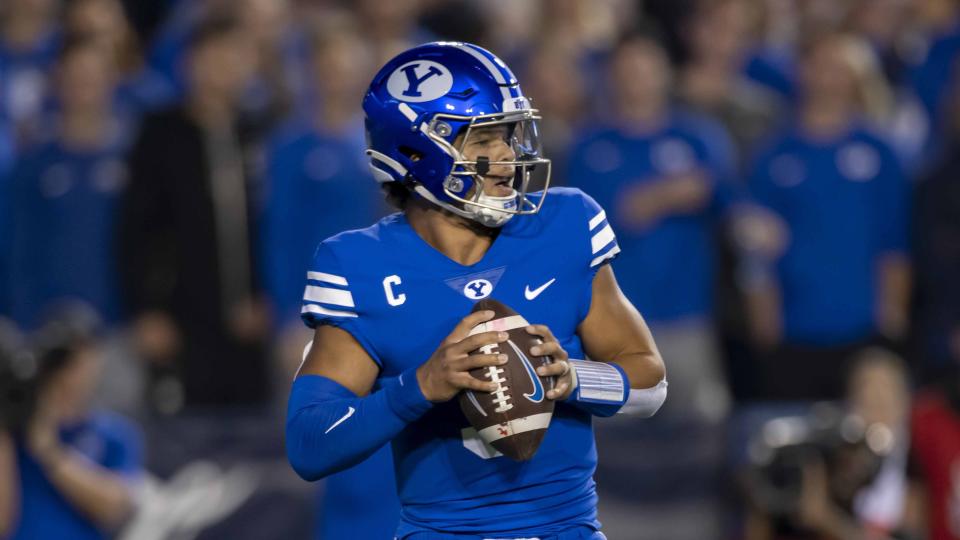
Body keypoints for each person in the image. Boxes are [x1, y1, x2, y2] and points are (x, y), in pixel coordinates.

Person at [285, 41, 667, 539]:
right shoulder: (359, 264)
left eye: (509, 135)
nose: (507, 156)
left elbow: (652, 384)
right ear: (416, 152)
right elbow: (310, 445)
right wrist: (418, 387)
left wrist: (570, 378)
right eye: (482, 142)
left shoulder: (564, 224)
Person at [746, 32, 910, 401]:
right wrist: (764, 318)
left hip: (863, 326)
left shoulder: (879, 151)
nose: (828, 77)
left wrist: (893, 317)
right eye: (819, 65)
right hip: (794, 327)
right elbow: (755, 248)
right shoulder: (773, 155)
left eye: (840, 67)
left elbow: (894, 239)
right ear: (801, 71)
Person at [118, 13, 269, 411]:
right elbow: (135, 228)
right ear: (188, 64)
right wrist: (147, 309)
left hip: (250, 322)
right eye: (212, 57)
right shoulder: (160, 134)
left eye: (234, 57)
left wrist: (266, 294)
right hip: (180, 321)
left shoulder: (258, 133)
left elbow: (270, 227)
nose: (223, 68)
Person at [5, 35, 129, 331]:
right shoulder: (33, 162)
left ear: (111, 79)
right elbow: (17, 251)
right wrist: (25, 319)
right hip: (45, 331)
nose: (84, 85)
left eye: (92, 76)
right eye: (75, 77)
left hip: (117, 331)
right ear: (58, 80)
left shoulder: (133, 159)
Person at [0, 312, 143, 539]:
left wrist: (49, 451)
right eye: (63, 360)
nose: (69, 373)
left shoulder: (112, 434)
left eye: (80, 360)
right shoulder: (14, 430)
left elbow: (114, 508)